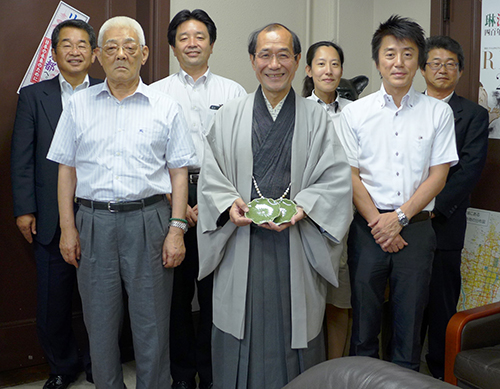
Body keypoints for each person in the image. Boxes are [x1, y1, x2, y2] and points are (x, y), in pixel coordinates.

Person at [197, 23, 353, 388]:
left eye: (284, 55)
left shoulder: (318, 119)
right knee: (239, 325)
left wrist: (305, 207)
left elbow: (335, 180)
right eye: (265, 55)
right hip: (240, 242)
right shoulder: (229, 114)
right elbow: (211, 175)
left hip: (297, 244)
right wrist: (229, 203)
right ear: (253, 61)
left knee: (294, 326)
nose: (274, 63)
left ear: (298, 62)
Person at [47, 16, 197, 389]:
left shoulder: (165, 107)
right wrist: (68, 227)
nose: (121, 55)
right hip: (94, 222)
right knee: (98, 324)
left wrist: (176, 229)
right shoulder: (79, 106)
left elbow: (179, 173)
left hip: (150, 221)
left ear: (144, 54)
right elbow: (66, 170)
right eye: (111, 48)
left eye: (130, 47)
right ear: (98, 55)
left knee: (152, 325)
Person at [337, 15, 459, 371]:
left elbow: (439, 175)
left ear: (418, 61)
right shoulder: (355, 114)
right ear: (377, 61)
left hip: (417, 230)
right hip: (367, 229)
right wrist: (380, 223)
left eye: (408, 54)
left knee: (409, 326)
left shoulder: (437, 113)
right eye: (390, 54)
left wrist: (400, 218)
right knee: (364, 326)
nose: (399, 62)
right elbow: (350, 174)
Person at [150, 9, 245, 389]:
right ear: (173, 46)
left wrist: (209, 201)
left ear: (212, 43)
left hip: (219, 195)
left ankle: (212, 373)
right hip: (170, 197)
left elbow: (240, 154)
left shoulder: (233, 92)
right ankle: (181, 376)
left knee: (214, 296)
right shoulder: (156, 93)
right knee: (174, 297)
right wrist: (180, 204)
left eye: (200, 36)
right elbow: (151, 156)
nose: (192, 43)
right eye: (184, 37)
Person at [11, 19, 101, 389]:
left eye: (83, 45)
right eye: (67, 44)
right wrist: (24, 208)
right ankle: (62, 366)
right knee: (53, 303)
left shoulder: (110, 91)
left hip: (101, 212)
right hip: (49, 215)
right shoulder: (34, 96)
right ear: (54, 50)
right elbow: (22, 157)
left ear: (94, 53)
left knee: (103, 298)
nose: (75, 51)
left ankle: (101, 365)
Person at [420, 35, 489, 379]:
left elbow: (469, 170)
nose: (442, 69)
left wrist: (431, 207)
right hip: (402, 223)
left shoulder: (474, 115)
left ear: (460, 71)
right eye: (435, 63)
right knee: (404, 300)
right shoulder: (407, 108)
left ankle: (439, 374)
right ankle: (397, 368)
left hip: (444, 224)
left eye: (450, 64)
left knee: (442, 303)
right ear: (422, 69)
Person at [302, 41, 353, 359]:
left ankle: (334, 368)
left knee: (339, 297)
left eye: (334, 64)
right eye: (321, 64)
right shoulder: (297, 109)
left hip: (343, 218)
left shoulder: (354, 112)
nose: (328, 70)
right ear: (308, 70)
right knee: (305, 297)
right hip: (305, 216)